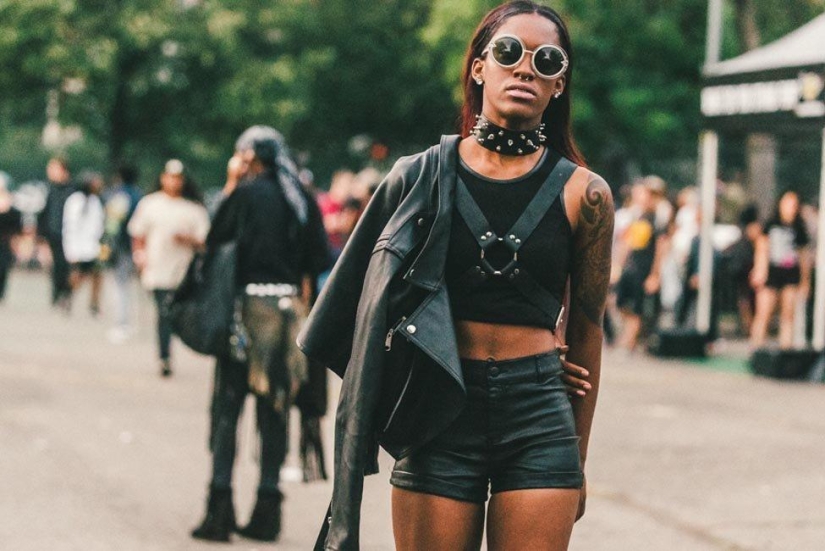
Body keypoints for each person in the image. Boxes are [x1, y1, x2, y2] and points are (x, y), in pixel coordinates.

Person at [298, 2, 612, 549]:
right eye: (509, 52)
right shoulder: (415, 178)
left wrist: (577, 457)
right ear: (479, 67)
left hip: (539, 413)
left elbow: (588, 327)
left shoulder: (586, 195)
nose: (525, 69)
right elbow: (354, 310)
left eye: (547, 60)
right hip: (439, 408)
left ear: (559, 83)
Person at [191, 126, 329, 543]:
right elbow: (319, 256)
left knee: (228, 411)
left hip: (245, 313)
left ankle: (219, 510)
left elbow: (215, 240)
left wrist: (233, 183)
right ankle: (267, 510)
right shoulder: (301, 197)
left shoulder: (246, 194)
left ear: (250, 156)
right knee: (275, 414)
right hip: (288, 316)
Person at [128, 159, 209, 376]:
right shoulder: (150, 204)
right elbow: (138, 234)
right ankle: (164, 356)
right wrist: (140, 255)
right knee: (163, 313)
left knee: (177, 313)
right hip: (158, 269)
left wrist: (189, 240)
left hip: (183, 272)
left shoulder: (193, 209)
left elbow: (206, 241)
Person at [750, 190, 811, 348]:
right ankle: (757, 349)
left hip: (790, 274)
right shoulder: (771, 224)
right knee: (764, 312)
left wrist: (805, 281)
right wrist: (760, 271)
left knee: (788, 314)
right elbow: (762, 248)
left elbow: (804, 257)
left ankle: (785, 350)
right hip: (772, 273)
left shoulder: (799, 229)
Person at [104, 164, 143, 340]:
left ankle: (122, 323)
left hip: (122, 246)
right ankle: (130, 322)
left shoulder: (120, 195)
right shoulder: (139, 195)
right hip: (138, 245)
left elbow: (113, 224)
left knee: (120, 286)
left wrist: (107, 244)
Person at [62, 170, 106, 316]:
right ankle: (68, 296)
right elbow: (70, 225)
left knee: (97, 274)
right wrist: (71, 249)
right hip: (77, 246)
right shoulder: (75, 201)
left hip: (92, 245)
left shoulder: (95, 201)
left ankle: (94, 303)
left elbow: (98, 224)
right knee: (78, 275)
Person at [37, 157, 75, 310]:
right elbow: (44, 213)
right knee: (56, 266)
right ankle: (57, 294)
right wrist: (41, 236)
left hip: (69, 234)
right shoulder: (50, 189)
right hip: (53, 233)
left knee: (65, 266)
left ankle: (65, 292)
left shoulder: (72, 190)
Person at [0, 174, 23, 302]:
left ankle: (1, 292)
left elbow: (16, 225)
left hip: (5, 241)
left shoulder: (11, 205)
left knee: (3, 267)